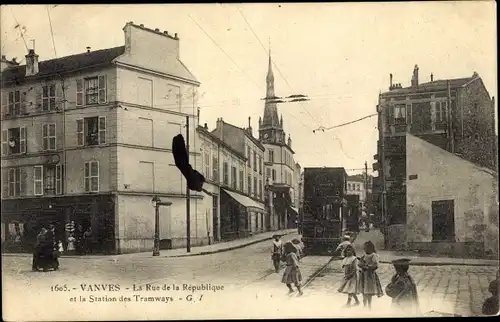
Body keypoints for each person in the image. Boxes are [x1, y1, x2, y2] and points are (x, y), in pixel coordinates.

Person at [359, 241, 384, 309]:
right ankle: (364, 305)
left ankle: (369, 305)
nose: (365, 250)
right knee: (364, 290)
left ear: (370, 248)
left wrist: (368, 267)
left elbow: (375, 265)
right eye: (364, 248)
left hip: (370, 276)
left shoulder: (373, 255)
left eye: (366, 248)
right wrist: (361, 265)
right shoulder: (363, 256)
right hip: (364, 275)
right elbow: (360, 263)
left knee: (369, 290)